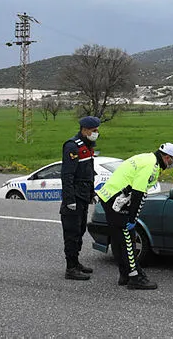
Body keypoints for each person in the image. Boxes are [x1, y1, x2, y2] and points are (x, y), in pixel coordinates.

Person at [96, 142, 173, 290]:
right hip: (117, 200)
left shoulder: (147, 158)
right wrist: (132, 219)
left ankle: (124, 275)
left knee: (118, 240)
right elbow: (139, 194)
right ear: (167, 157)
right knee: (128, 238)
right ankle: (135, 277)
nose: (172, 164)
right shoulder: (152, 166)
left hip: (108, 197)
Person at [60, 115, 101, 281]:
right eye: (94, 130)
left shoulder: (87, 146)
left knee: (80, 231)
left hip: (83, 197)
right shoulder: (72, 146)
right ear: (84, 130)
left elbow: (88, 173)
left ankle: (76, 263)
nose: (96, 133)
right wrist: (70, 200)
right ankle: (70, 268)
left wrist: (91, 194)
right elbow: (67, 175)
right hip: (75, 198)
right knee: (72, 233)